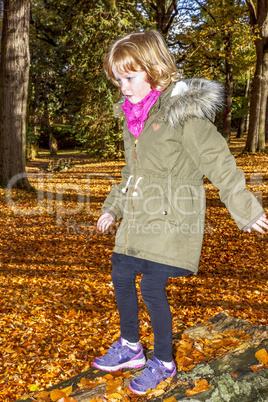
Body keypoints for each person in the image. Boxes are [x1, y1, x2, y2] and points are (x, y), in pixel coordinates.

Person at [93, 30, 268, 395]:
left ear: (154, 70)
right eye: (118, 79)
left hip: (173, 219)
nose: (122, 86)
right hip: (141, 219)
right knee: (121, 273)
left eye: (130, 77)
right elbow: (132, 174)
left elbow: (217, 159)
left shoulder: (181, 112)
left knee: (153, 287)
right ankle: (130, 347)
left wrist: (245, 207)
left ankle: (164, 361)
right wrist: (113, 208)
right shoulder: (134, 120)